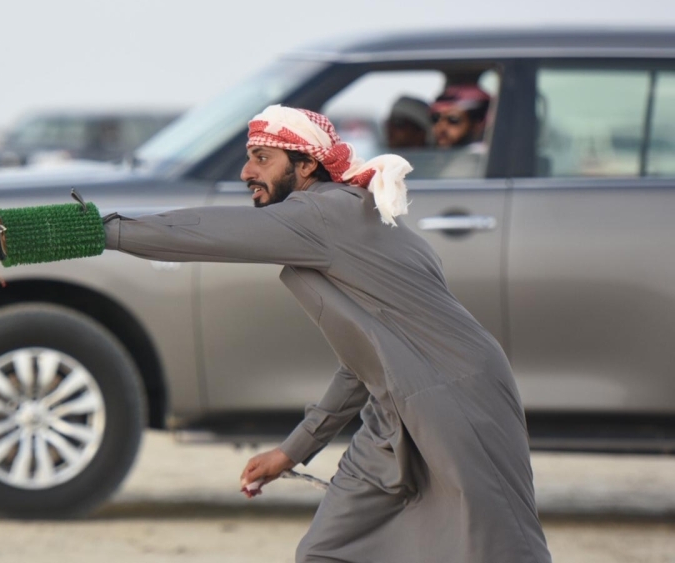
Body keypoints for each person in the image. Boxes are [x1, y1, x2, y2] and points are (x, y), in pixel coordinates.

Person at [100, 105, 551, 562]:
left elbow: (206, 231)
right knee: (328, 551)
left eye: (261, 158)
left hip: (459, 397)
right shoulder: (341, 217)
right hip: (392, 406)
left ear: (306, 164)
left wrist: (100, 231)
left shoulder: (321, 215)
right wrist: (293, 451)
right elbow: (362, 364)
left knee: (498, 549)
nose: (246, 171)